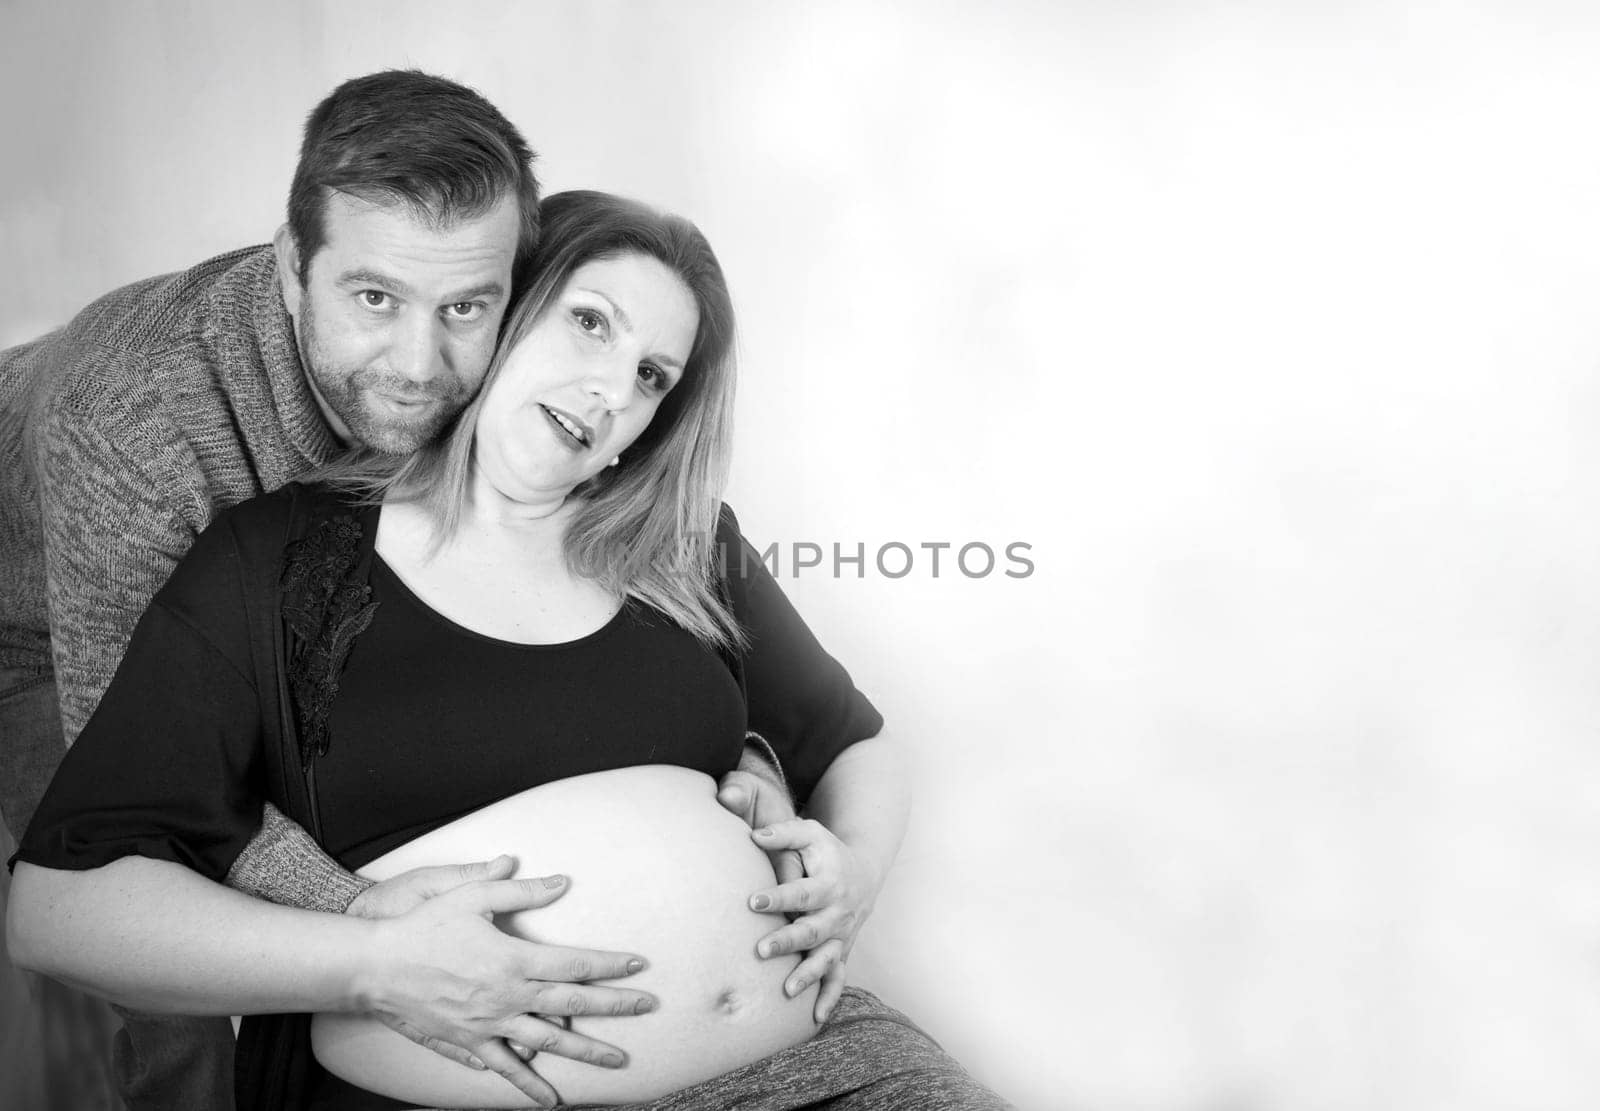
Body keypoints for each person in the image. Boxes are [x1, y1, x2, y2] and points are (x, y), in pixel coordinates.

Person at [8, 190, 1011, 1111]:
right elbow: (61, 906)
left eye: (650, 376)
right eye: (590, 322)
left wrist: (855, 866)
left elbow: (857, 745)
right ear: (505, 310)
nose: (610, 389)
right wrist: (369, 966)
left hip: (826, 1066)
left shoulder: (688, 550)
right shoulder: (278, 561)